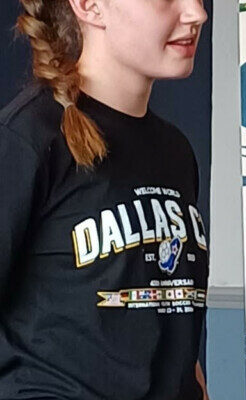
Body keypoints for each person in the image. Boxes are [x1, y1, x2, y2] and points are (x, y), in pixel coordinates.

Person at [0, 0, 209, 398]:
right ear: (89, 6)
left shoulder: (175, 151)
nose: (196, 13)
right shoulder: (24, 140)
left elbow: (174, 317)